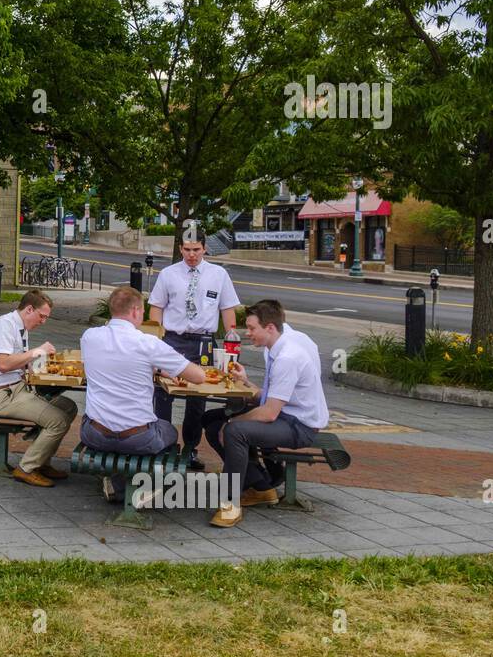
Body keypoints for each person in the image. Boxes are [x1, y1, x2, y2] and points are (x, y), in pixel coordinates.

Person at [207, 299, 329, 528]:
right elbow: (271, 398)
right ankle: (261, 487)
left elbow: (269, 413)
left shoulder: (287, 357)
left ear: (270, 328)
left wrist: (232, 422)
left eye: (252, 328)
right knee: (212, 420)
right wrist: (246, 383)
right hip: (286, 414)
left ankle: (230, 506)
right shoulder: (280, 346)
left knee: (234, 430)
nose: (248, 333)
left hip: (300, 426)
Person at [81, 286, 207, 501]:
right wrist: (162, 367)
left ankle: (118, 484)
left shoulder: (89, 337)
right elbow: (198, 376)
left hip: (94, 435)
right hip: (138, 438)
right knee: (168, 430)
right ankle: (149, 486)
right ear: (137, 311)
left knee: (95, 417)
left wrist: (155, 367)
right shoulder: (148, 343)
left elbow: (119, 360)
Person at [148, 226, 240, 470]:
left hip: (203, 342)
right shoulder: (168, 274)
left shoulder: (218, 275)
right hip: (173, 339)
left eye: (196, 250)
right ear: (180, 249)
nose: (191, 255)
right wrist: (154, 339)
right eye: (187, 250)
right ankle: (163, 445)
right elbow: (156, 307)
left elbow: (228, 308)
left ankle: (190, 449)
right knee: (163, 393)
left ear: (205, 248)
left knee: (197, 397)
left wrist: (232, 336)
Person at [0, 289, 78, 488]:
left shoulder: (20, 327)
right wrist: (36, 352)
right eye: (42, 316)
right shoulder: (4, 325)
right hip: (1, 396)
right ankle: (27, 468)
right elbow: (4, 364)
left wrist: (45, 366)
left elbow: (20, 363)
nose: (43, 322)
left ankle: (42, 461)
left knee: (69, 407)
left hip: (17, 389)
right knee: (57, 421)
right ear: (29, 309)